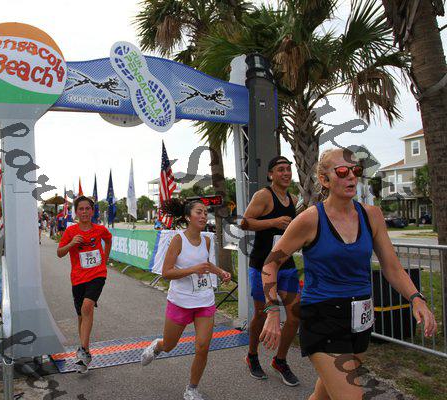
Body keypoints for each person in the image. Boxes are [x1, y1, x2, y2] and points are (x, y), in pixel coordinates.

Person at [259, 148, 437, 400]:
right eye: (342, 171)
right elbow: (270, 264)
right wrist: (272, 310)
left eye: (356, 170)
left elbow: (392, 267)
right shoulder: (310, 219)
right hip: (322, 317)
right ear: (324, 180)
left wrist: (416, 298)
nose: (351, 176)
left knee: (323, 395)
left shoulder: (372, 215)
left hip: (360, 316)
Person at [141, 200, 231, 400]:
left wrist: (220, 272)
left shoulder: (206, 240)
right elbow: (166, 272)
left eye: (205, 212)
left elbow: (205, 264)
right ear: (188, 217)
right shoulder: (178, 240)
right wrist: (192, 270)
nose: (203, 216)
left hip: (204, 300)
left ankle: (192, 389)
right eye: (199, 212)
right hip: (180, 301)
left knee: (203, 346)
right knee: (169, 345)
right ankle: (157, 346)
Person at [239, 156, 300, 386]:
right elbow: (244, 222)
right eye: (280, 169)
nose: (286, 173)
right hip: (261, 266)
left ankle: (280, 360)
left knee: (295, 315)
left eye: (288, 169)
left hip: (286, 266)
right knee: (262, 313)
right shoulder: (263, 196)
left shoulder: (294, 199)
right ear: (271, 174)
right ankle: (252, 355)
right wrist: (273, 222)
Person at [56, 196, 113, 373]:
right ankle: (86, 353)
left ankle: (82, 350)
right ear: (76, 212)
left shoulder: (100, 230)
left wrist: (105, 258)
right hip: (78, 278)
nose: (85, 212)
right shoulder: (70, 231)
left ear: (92, 211)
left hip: (97, 274)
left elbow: (108, 239)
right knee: (82, 315)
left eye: (88, 208)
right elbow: (59, 253)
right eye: (81, 209)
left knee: (87, 307)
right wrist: (72, 243)